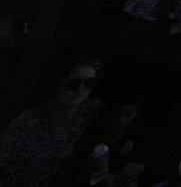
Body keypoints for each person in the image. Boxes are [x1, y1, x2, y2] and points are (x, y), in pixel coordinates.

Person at [0, 56, 106, 187]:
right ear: (57, 82)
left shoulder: (92, 110)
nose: (81, 90)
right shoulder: (26, 124)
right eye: (73, 84)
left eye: (89, 83)